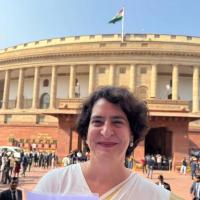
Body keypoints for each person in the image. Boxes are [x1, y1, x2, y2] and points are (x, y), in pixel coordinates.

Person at [34, 86, 181, 199]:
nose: (106, 131)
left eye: (117, 122)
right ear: (86, 133)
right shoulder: (53, 185)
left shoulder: (157, 197)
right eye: (97, 122)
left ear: (132, 134)